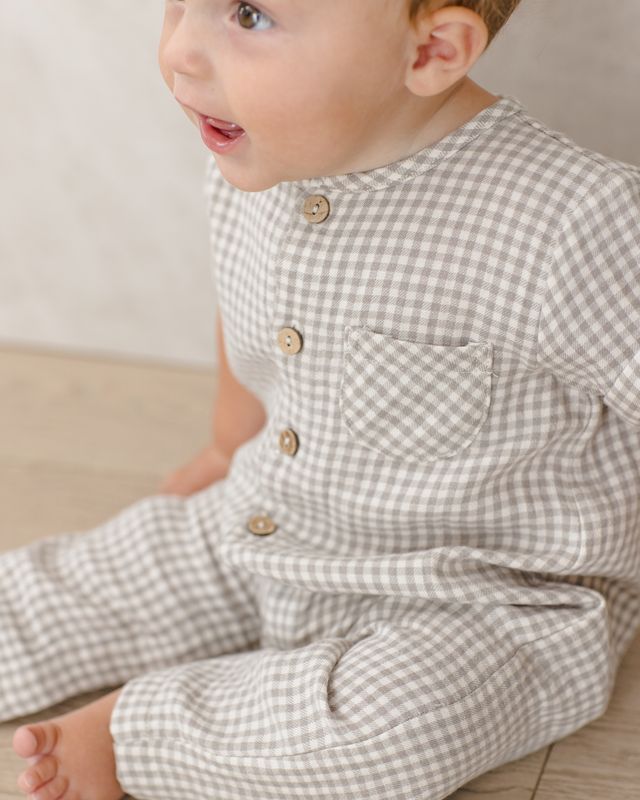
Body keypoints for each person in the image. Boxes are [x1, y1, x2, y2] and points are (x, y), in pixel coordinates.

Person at [4, 0, 640, 798]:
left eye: (246, 15)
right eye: (179, 4)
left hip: (487, 603)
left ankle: (141, 734)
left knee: (400, 724)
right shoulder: (253, 148)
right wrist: (227, 444)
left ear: (433, 49)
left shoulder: (569, 222)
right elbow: (250, 308)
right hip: (277, 518)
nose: (180, 54)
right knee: (92, 578)